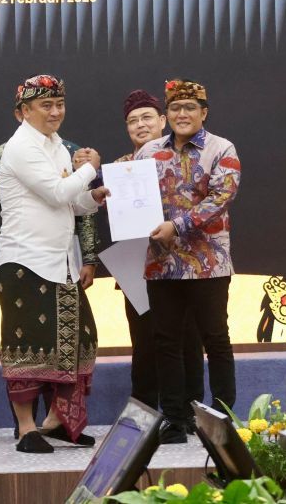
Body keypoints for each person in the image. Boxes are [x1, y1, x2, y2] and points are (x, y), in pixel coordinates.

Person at [0, 74, 109, 453]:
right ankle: (27, 428)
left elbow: (70, 202)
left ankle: (56, 422)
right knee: (28, 344)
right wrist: (91, 167)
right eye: (46, 105)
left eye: (59, 104)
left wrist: (94, 197)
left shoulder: (57, 146)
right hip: (24, 260)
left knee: (79, 338)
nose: (55, 111)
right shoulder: (20, 147)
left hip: (60, 262)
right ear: (24, 111)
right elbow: (57, 190)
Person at [136, 79, 240, 444]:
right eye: (176, 109)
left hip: (208, 262)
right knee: (165, 341)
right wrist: (104, 192)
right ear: (167, 114)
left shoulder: (221, 148)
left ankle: (223, 419)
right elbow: (132, 196)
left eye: (190, 108)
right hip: (161, 263)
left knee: (215, 339)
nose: (182, 114)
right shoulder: (148, 151)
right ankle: (176, 420)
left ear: (204, 113)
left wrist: (176, 226)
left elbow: (219, 199)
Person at [108, 90, 204, 416]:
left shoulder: (186, 160)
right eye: (133, 121)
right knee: (144, 342)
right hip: (138, 267)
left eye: (147, 117)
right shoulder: (120, 168)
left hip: (184, 266)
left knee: (188, 339)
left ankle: (188, 412)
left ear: (163, 121)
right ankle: (144, 412)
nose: (140, 125)